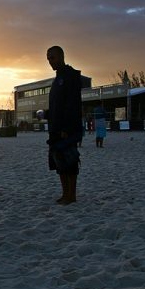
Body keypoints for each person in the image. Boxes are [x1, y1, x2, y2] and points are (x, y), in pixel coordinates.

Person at [45, 45, 83, 205]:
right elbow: (56, 105)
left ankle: (71, 195)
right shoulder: (57, 78)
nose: (50, 61)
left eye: (52, 58)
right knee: (58, 160)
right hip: (55, 127)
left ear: (61, 56)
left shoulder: (70, 76)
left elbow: (73, 104)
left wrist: (67, 128)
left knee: (70, 161)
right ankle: (65, 193)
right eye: (48, 59)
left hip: (67, 127)